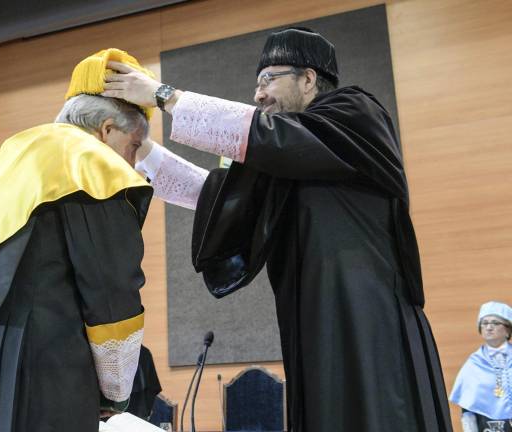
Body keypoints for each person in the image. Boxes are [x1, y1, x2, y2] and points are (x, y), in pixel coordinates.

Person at [104, 27, 452, 431]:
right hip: (313, 315)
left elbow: (269, 137)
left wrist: (164, 96)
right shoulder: (288, 157)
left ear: (308, 78)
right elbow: (214, 195)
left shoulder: (356, 114)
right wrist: (140, 146)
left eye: (268, 79)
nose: (258, 94)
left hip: (366, 311)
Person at [0, 48, 155, 432]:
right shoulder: (92, 162)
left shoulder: (16, 152)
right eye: (134, 145)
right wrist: (116, 390)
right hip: (41, 360)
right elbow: (111, 288)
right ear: (107, 129)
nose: (133, 164)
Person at [451, 301, 512, 432]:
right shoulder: (473, 365)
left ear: (508, 330)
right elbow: (468, 410)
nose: (489, 327)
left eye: (495, 323)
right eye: (485, 323)